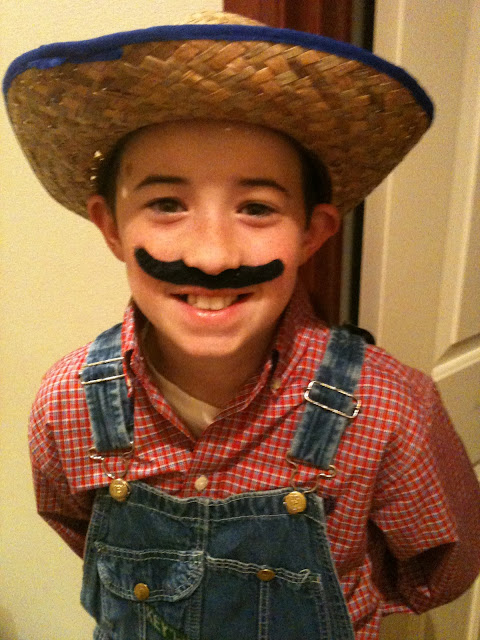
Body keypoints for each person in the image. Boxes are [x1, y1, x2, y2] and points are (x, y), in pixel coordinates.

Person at [4, 11, 480, 640]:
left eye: (257, 208)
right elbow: (76, 527)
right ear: (111, 226)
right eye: (167, 204)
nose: (212, 256)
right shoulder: (67, 405)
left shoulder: (391, 409)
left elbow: (438, 574)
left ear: (312, 233)